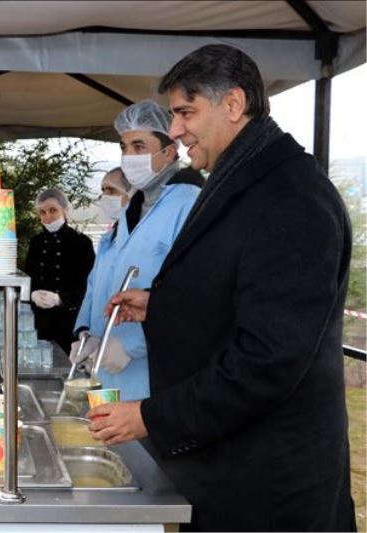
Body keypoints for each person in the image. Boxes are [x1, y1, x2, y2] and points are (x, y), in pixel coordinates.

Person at [91, 45, 355, 531]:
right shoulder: (245, 177)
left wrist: (152, 417)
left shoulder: (292, 198)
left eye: (185, 112)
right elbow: (236, 291)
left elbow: (268, 359)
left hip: (269, 489)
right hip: (230, 469)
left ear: (233, 104)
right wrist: (162, 307)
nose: (175, 130)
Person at [71, 101, 202, 401]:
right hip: (108, 370)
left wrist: (132, 345)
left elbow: (193, 294)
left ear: (169, 152)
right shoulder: (134, 208)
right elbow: (103, 278)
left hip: (154, 373)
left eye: (139, 146)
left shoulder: (188, 203)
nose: (129, 156)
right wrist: (88, 332)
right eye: (124, 147)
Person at [24, 188, 95, 355]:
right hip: (39, 323)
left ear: (65, 210)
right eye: (42, 212)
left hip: (69, 322)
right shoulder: (36, 242)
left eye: (53, 210)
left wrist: (60, 299)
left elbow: (90, 287)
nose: (47, 217)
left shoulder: (81, 243)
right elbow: (28, 277)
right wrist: (32, 294)